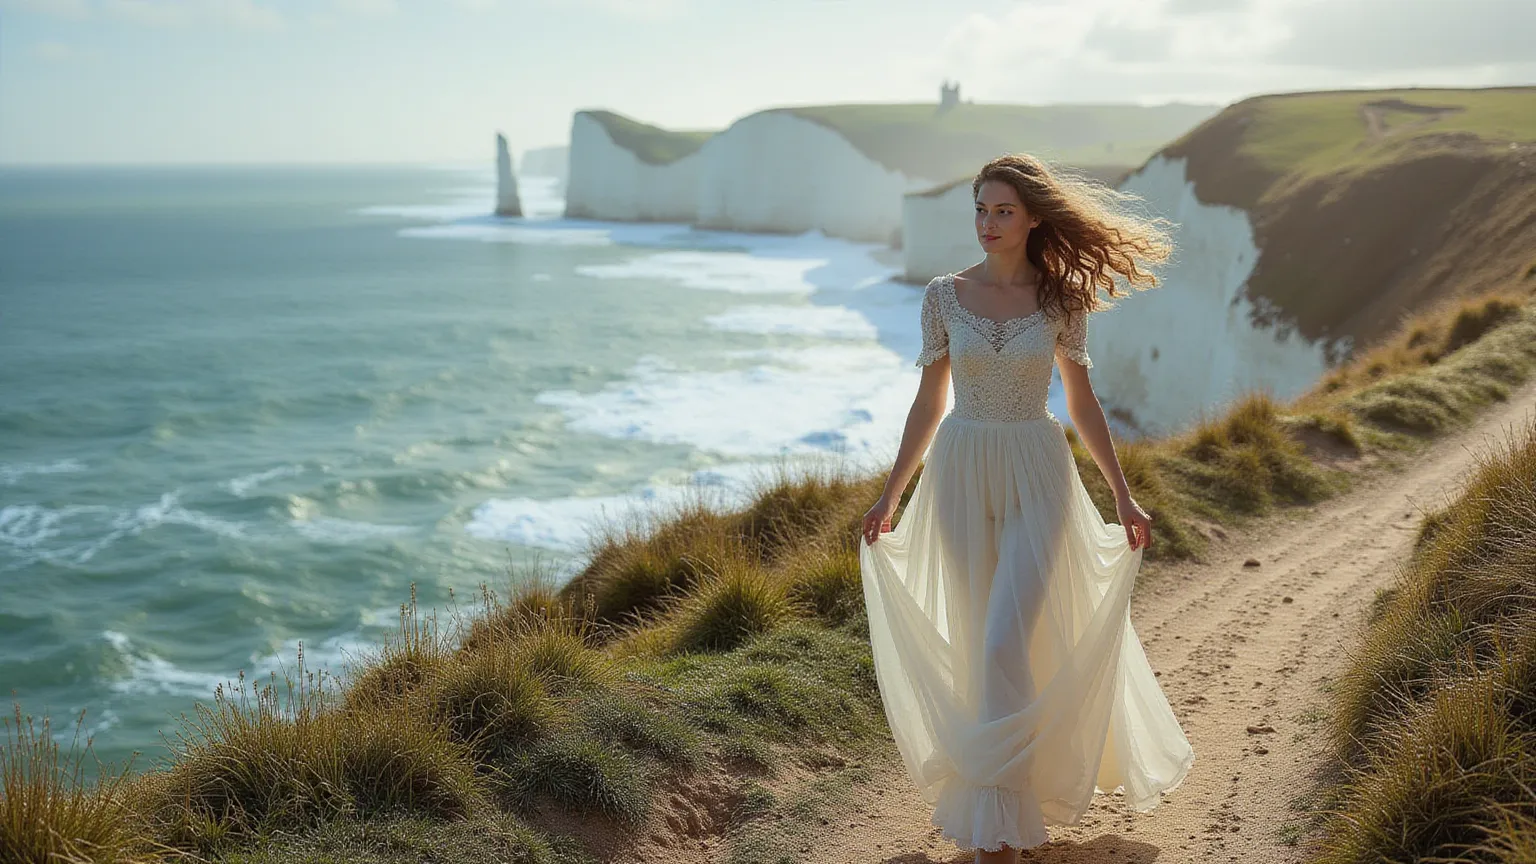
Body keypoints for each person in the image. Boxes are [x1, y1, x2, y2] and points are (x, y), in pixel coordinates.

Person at [858, 153, 1194, 863]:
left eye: (1003, 210)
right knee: (984, 640)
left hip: (1038, 470)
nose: (988, 222)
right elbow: (930, 401)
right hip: (959, 469)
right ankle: (996, 805)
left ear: (1033, 217)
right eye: (980, 209)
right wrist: (893, 493)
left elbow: (1080, 401)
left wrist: (1122, 494)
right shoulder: (943, 295)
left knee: (1007, 638)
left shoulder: (1061, 300)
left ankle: (1002, 830)